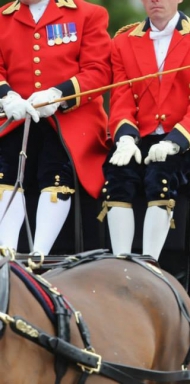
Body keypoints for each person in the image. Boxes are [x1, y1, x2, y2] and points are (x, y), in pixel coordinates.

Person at [98, 0, 190, 260]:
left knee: (161, 175)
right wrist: (124, 139)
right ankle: (121, 263)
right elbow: (121, 99)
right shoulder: (122, 42)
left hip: (185, 138)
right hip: (139, 136)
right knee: (117, 174)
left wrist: (174, 141)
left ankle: (149, 264)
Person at [0, 0, 111, 254]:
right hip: (15, 117)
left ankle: (40, 254)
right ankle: (6, 253)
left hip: (71, 118)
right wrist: (6, 96)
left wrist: (57, 94)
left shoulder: (88, 14)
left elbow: (99, 71)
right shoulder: (2, 18)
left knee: (56, 169)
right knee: (5, 170)